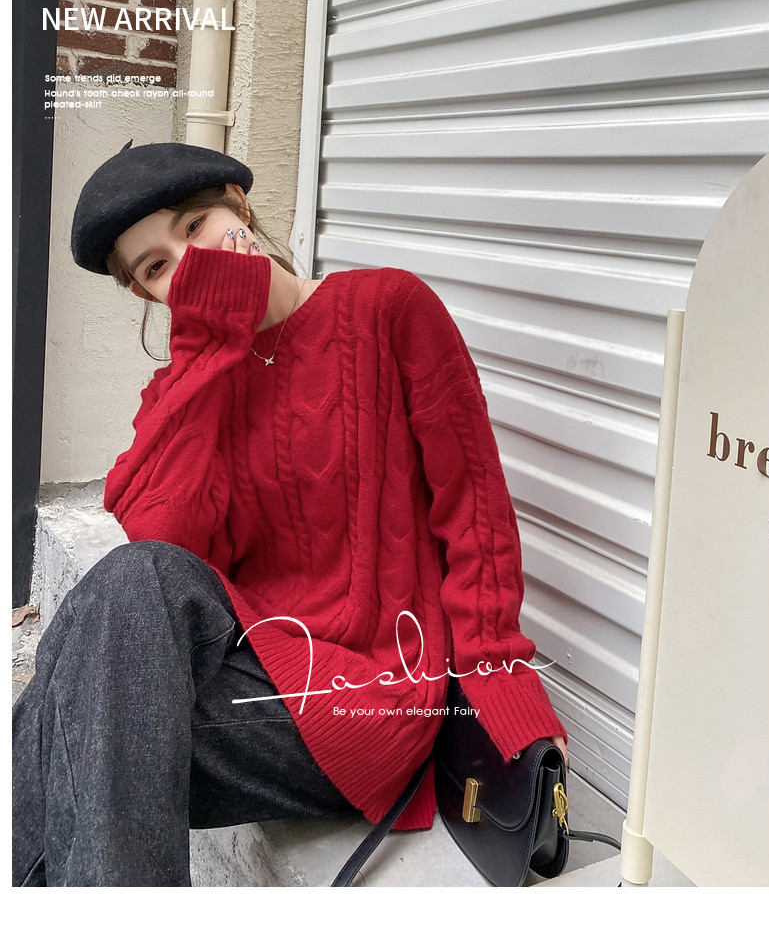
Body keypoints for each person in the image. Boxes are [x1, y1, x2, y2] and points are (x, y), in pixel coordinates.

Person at [12, 141, 569, 887]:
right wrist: (215, 349)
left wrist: (503, 688)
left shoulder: (387, 309)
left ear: (239, 206)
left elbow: (477, 517)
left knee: (63, 713)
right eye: (157, 267)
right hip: (256, 675)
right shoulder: (186, 387)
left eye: (195, 226)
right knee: (93, 672)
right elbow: (165, 544)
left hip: (373, 696)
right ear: (147, 294)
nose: (190, 261)